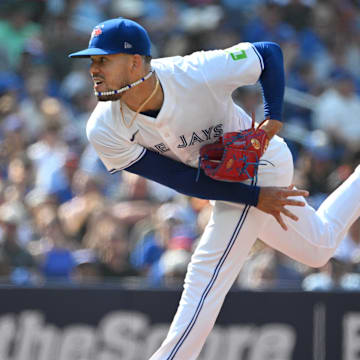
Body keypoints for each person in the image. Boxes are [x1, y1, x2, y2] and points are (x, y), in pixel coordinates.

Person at [69, 18, 360, 360]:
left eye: (103, 59)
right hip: (231, 185)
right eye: (92, 60)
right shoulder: (103, 127)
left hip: (261, 163)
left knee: (207, 269)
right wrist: (255, 199)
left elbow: (268, 54)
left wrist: (273, 118)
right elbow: (180, 180)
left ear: (135, 62)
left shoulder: (193, 72)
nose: (93, 69)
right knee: (319, 248)